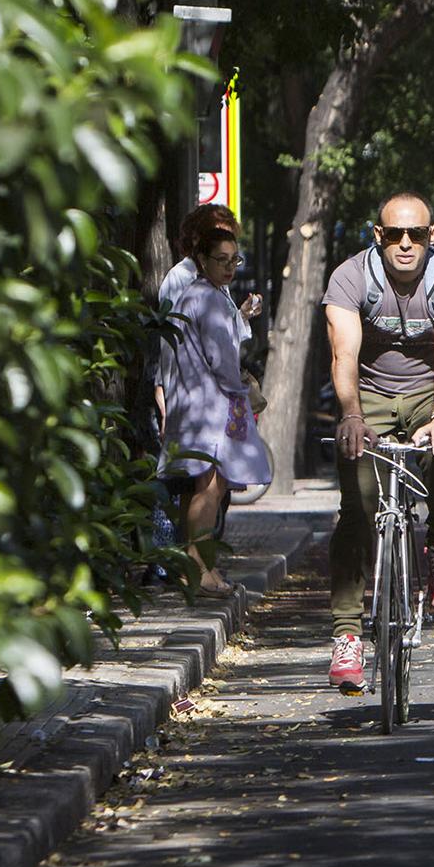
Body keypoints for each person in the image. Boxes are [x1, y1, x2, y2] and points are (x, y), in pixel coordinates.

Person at [321, 191, 434, 691]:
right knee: (357, 505)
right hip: (366, 393)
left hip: (428, 393)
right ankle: (347, 637)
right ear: (378, 236)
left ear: (432, 235)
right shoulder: (351, 277)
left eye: (415, 234)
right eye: (394, 234)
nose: (405, 244)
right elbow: (343, 355)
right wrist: (350, 415)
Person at [160, 226, 271, 596]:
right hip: (210, 406)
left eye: (233, 260)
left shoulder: (197, 295)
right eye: (220, 260)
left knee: (200, 486)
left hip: (192, 402)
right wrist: (240, 387)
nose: (229, 267)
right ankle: (199, 569)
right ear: (202, 260)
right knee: (210, 486)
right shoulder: (206, 297)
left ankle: (199, 568)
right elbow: (222, 359)